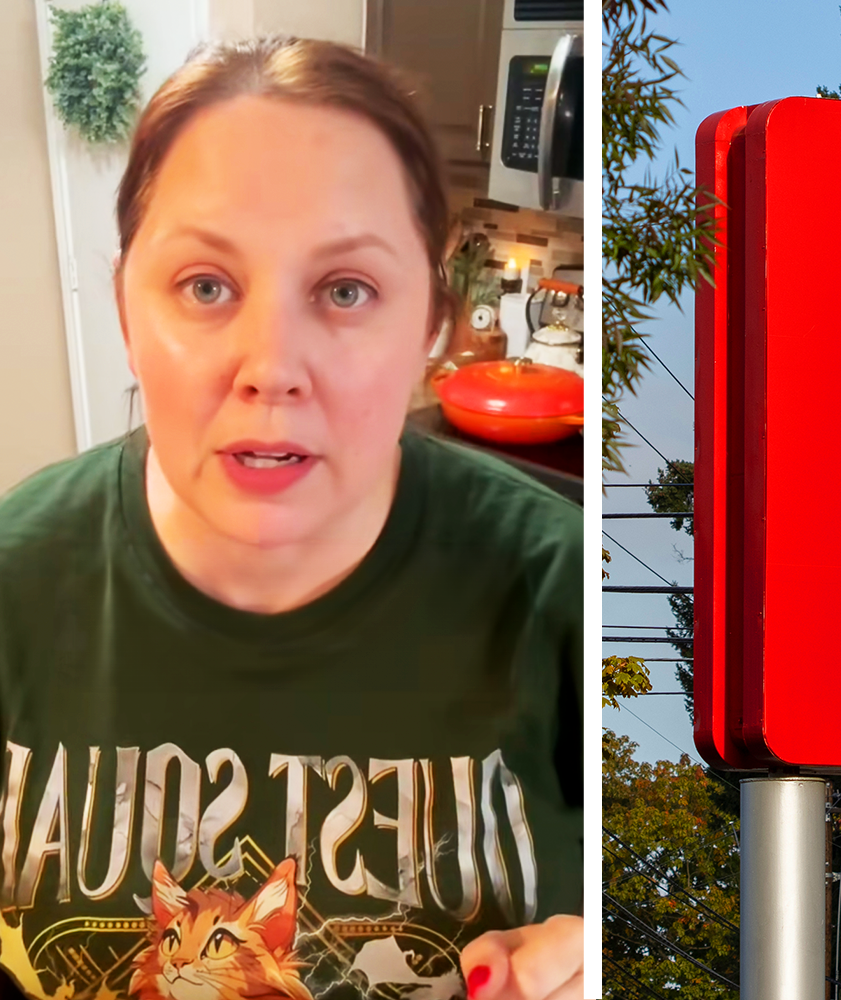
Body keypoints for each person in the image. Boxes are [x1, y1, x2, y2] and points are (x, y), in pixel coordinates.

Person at [0, 38, 582, 1000]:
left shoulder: (561, 591)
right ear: (124, 310)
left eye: (345, 291)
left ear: (432, 321)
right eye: (205, 287)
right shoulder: (16, 581)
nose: (271, 364)